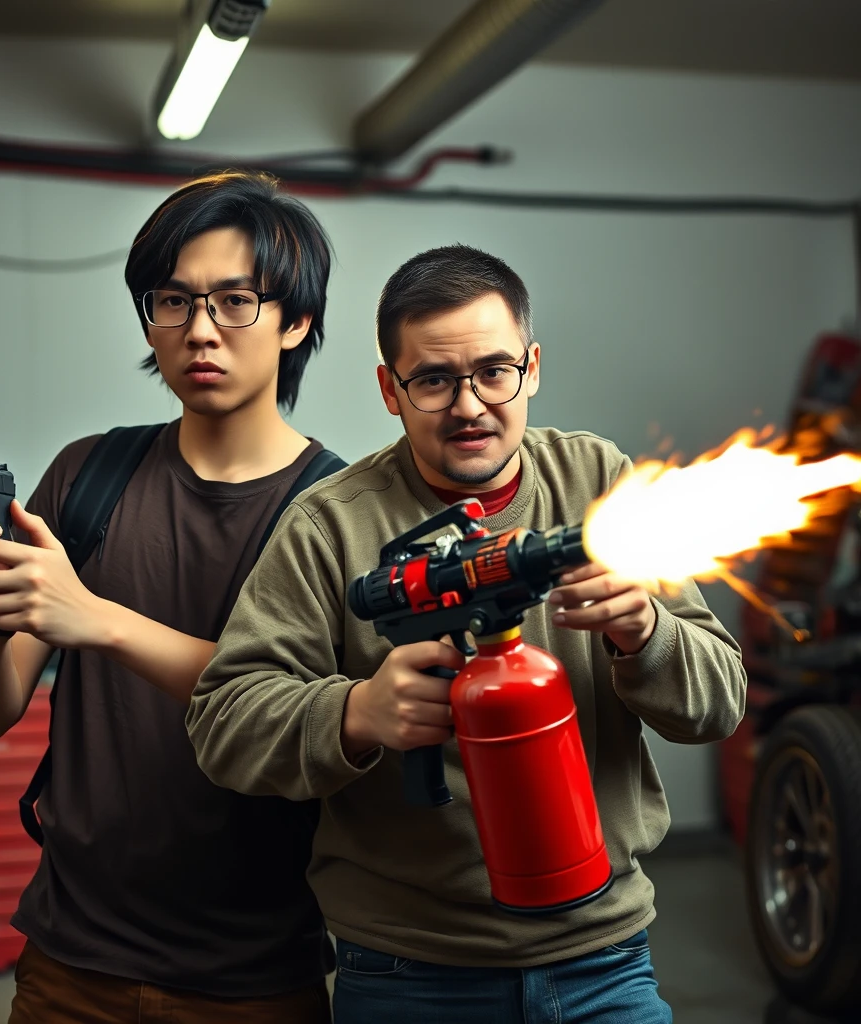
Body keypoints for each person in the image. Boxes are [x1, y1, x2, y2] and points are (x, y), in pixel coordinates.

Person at [187, 244, 748, 1023]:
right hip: (407, 974)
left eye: (494, 371)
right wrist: (358, 713)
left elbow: (720, 705)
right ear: (390, 387)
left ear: (533, 366)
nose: (470, 405)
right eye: (434, 380)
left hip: (605, 960)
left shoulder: (598, 484)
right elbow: (223, 719)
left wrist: (644, 631)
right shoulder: (330, 524)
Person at [0, 171, 339, 1024]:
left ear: (296, 321)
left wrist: (99, 619)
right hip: (68, 960)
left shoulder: (336, 511)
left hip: (253, 975)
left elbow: (305, 723)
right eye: (172, 301)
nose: (199, 331)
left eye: (236, 302)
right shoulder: (90, 475)